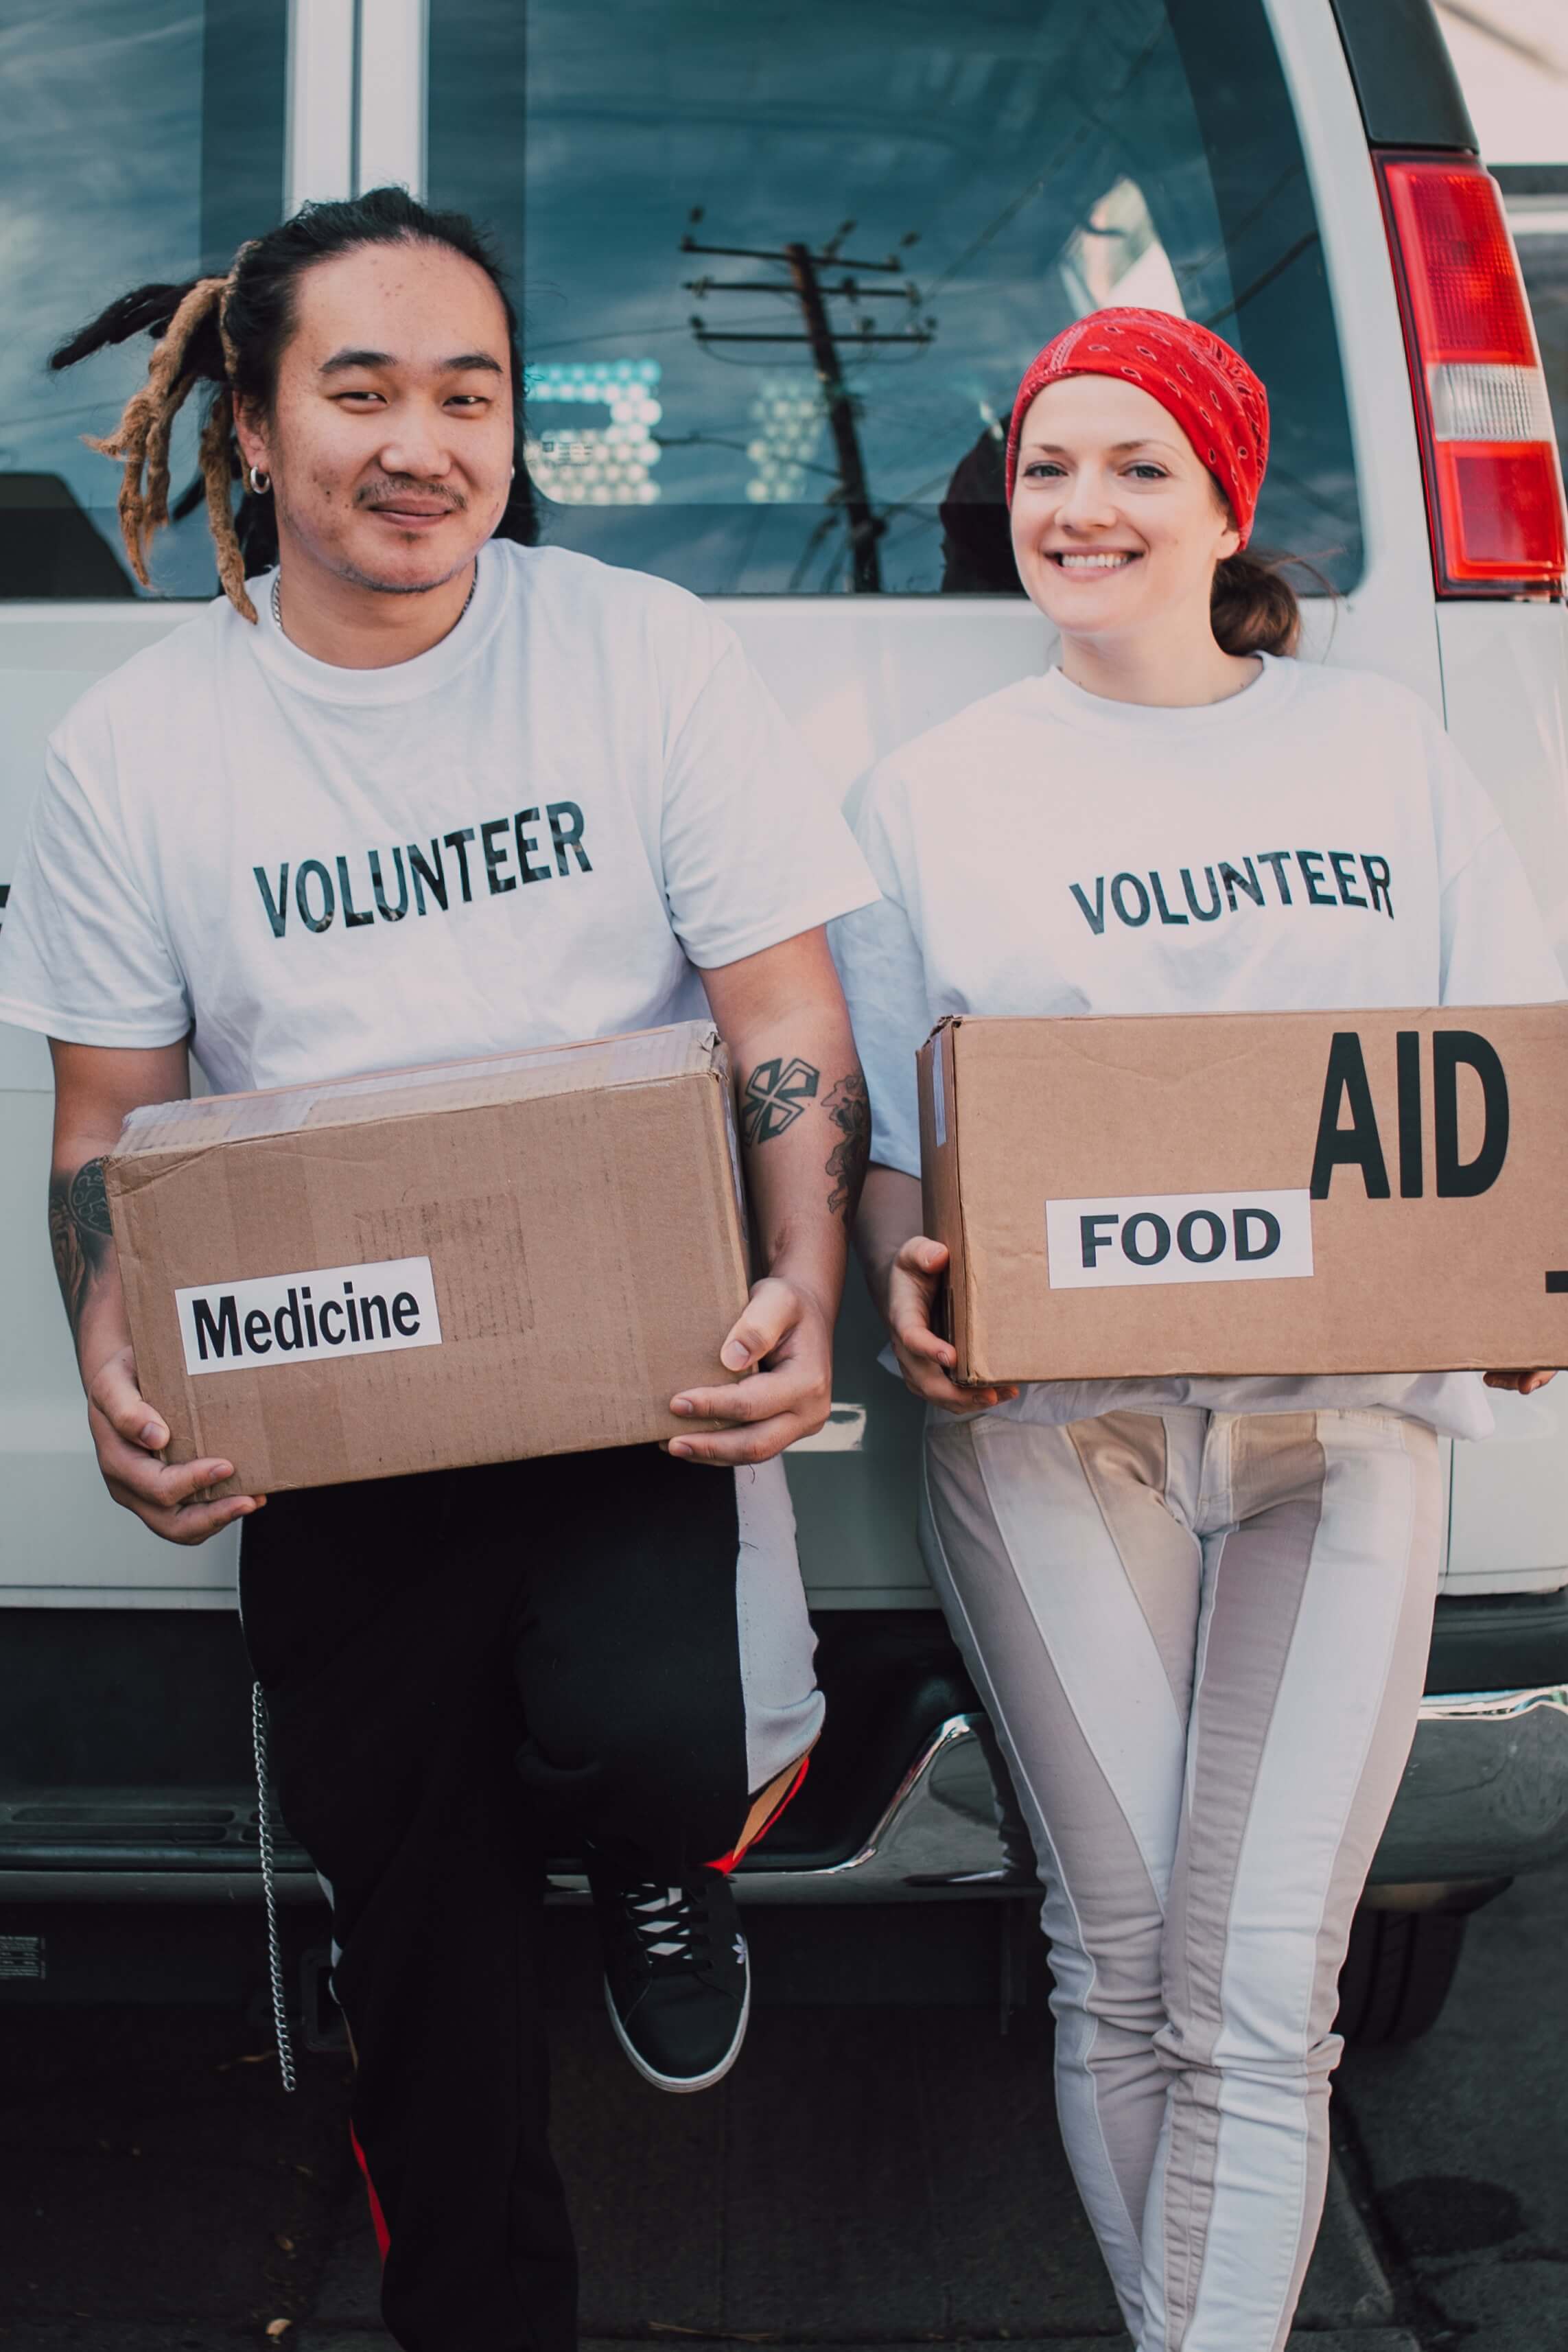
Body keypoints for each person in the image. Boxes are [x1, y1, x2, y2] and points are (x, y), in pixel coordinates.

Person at [0, 187, 878, 2351]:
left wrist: (805, 1287)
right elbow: (108, 1123)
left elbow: (784, 1010)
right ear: (254, 419)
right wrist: (116, 1359)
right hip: (337, 1402)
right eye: (363, 389)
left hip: (627, 1371)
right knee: (427, 1970)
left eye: (466, 392)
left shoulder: (637, 651)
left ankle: (669, 1856)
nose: (422, 442)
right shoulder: (138, 750)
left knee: (658, 1738)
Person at [833, 306, 1560, 2352]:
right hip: (1063, 1429)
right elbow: (906, 1139)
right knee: (1128, 1943)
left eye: (1140, 465)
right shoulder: (937, 792)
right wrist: (906, 1268)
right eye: (1049, 469)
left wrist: (1522, 1279)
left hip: (1350, 1425)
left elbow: (1501, 1080)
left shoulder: (1381, 756)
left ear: (1227, 500)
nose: (1085, 507)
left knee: (1258, 1978)